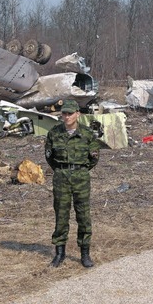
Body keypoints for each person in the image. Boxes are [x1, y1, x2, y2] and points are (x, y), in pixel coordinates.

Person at [45, 99, 100, 267]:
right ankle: (59, 253)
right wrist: (62, 169)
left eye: (70, 113)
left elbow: (93, 159)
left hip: (81, 177)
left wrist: (79, 170)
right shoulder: (54, 133)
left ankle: (85, 253)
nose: (67, 116)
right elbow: (49, 157)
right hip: (61, 176)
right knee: (61, 215)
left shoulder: (88, 134)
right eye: (64, 113)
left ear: (78, 114)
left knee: (83, 215)